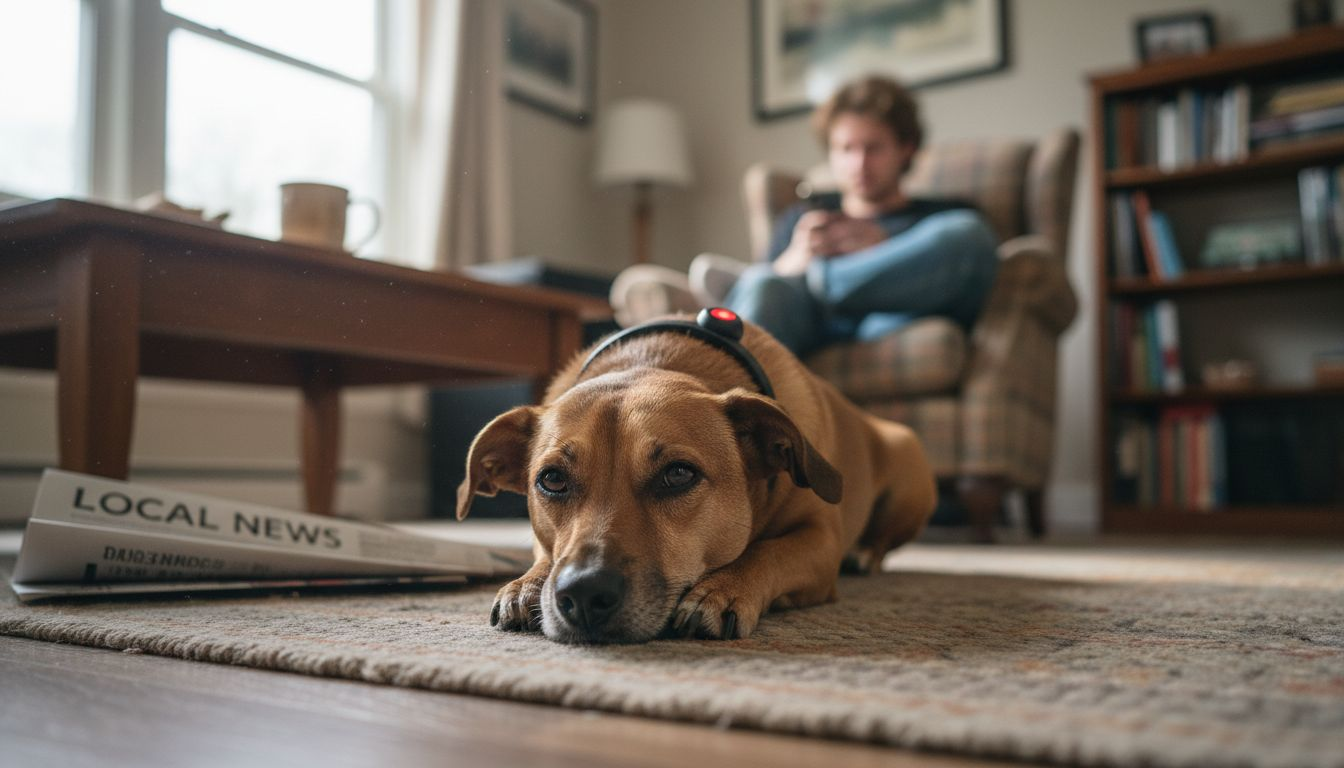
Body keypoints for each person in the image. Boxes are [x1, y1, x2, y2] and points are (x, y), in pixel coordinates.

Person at [719, 75, 999, 358]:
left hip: (891, 321)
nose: (859, 164)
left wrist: (884, 248)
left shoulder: (941, 215)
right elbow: (769, 297)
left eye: (873, 148)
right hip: (814, 328)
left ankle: (823, 282)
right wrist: (796, 259)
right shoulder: (803, 217)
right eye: (846, 149)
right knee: (764, 282)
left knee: (971, 234)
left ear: (906, 148)